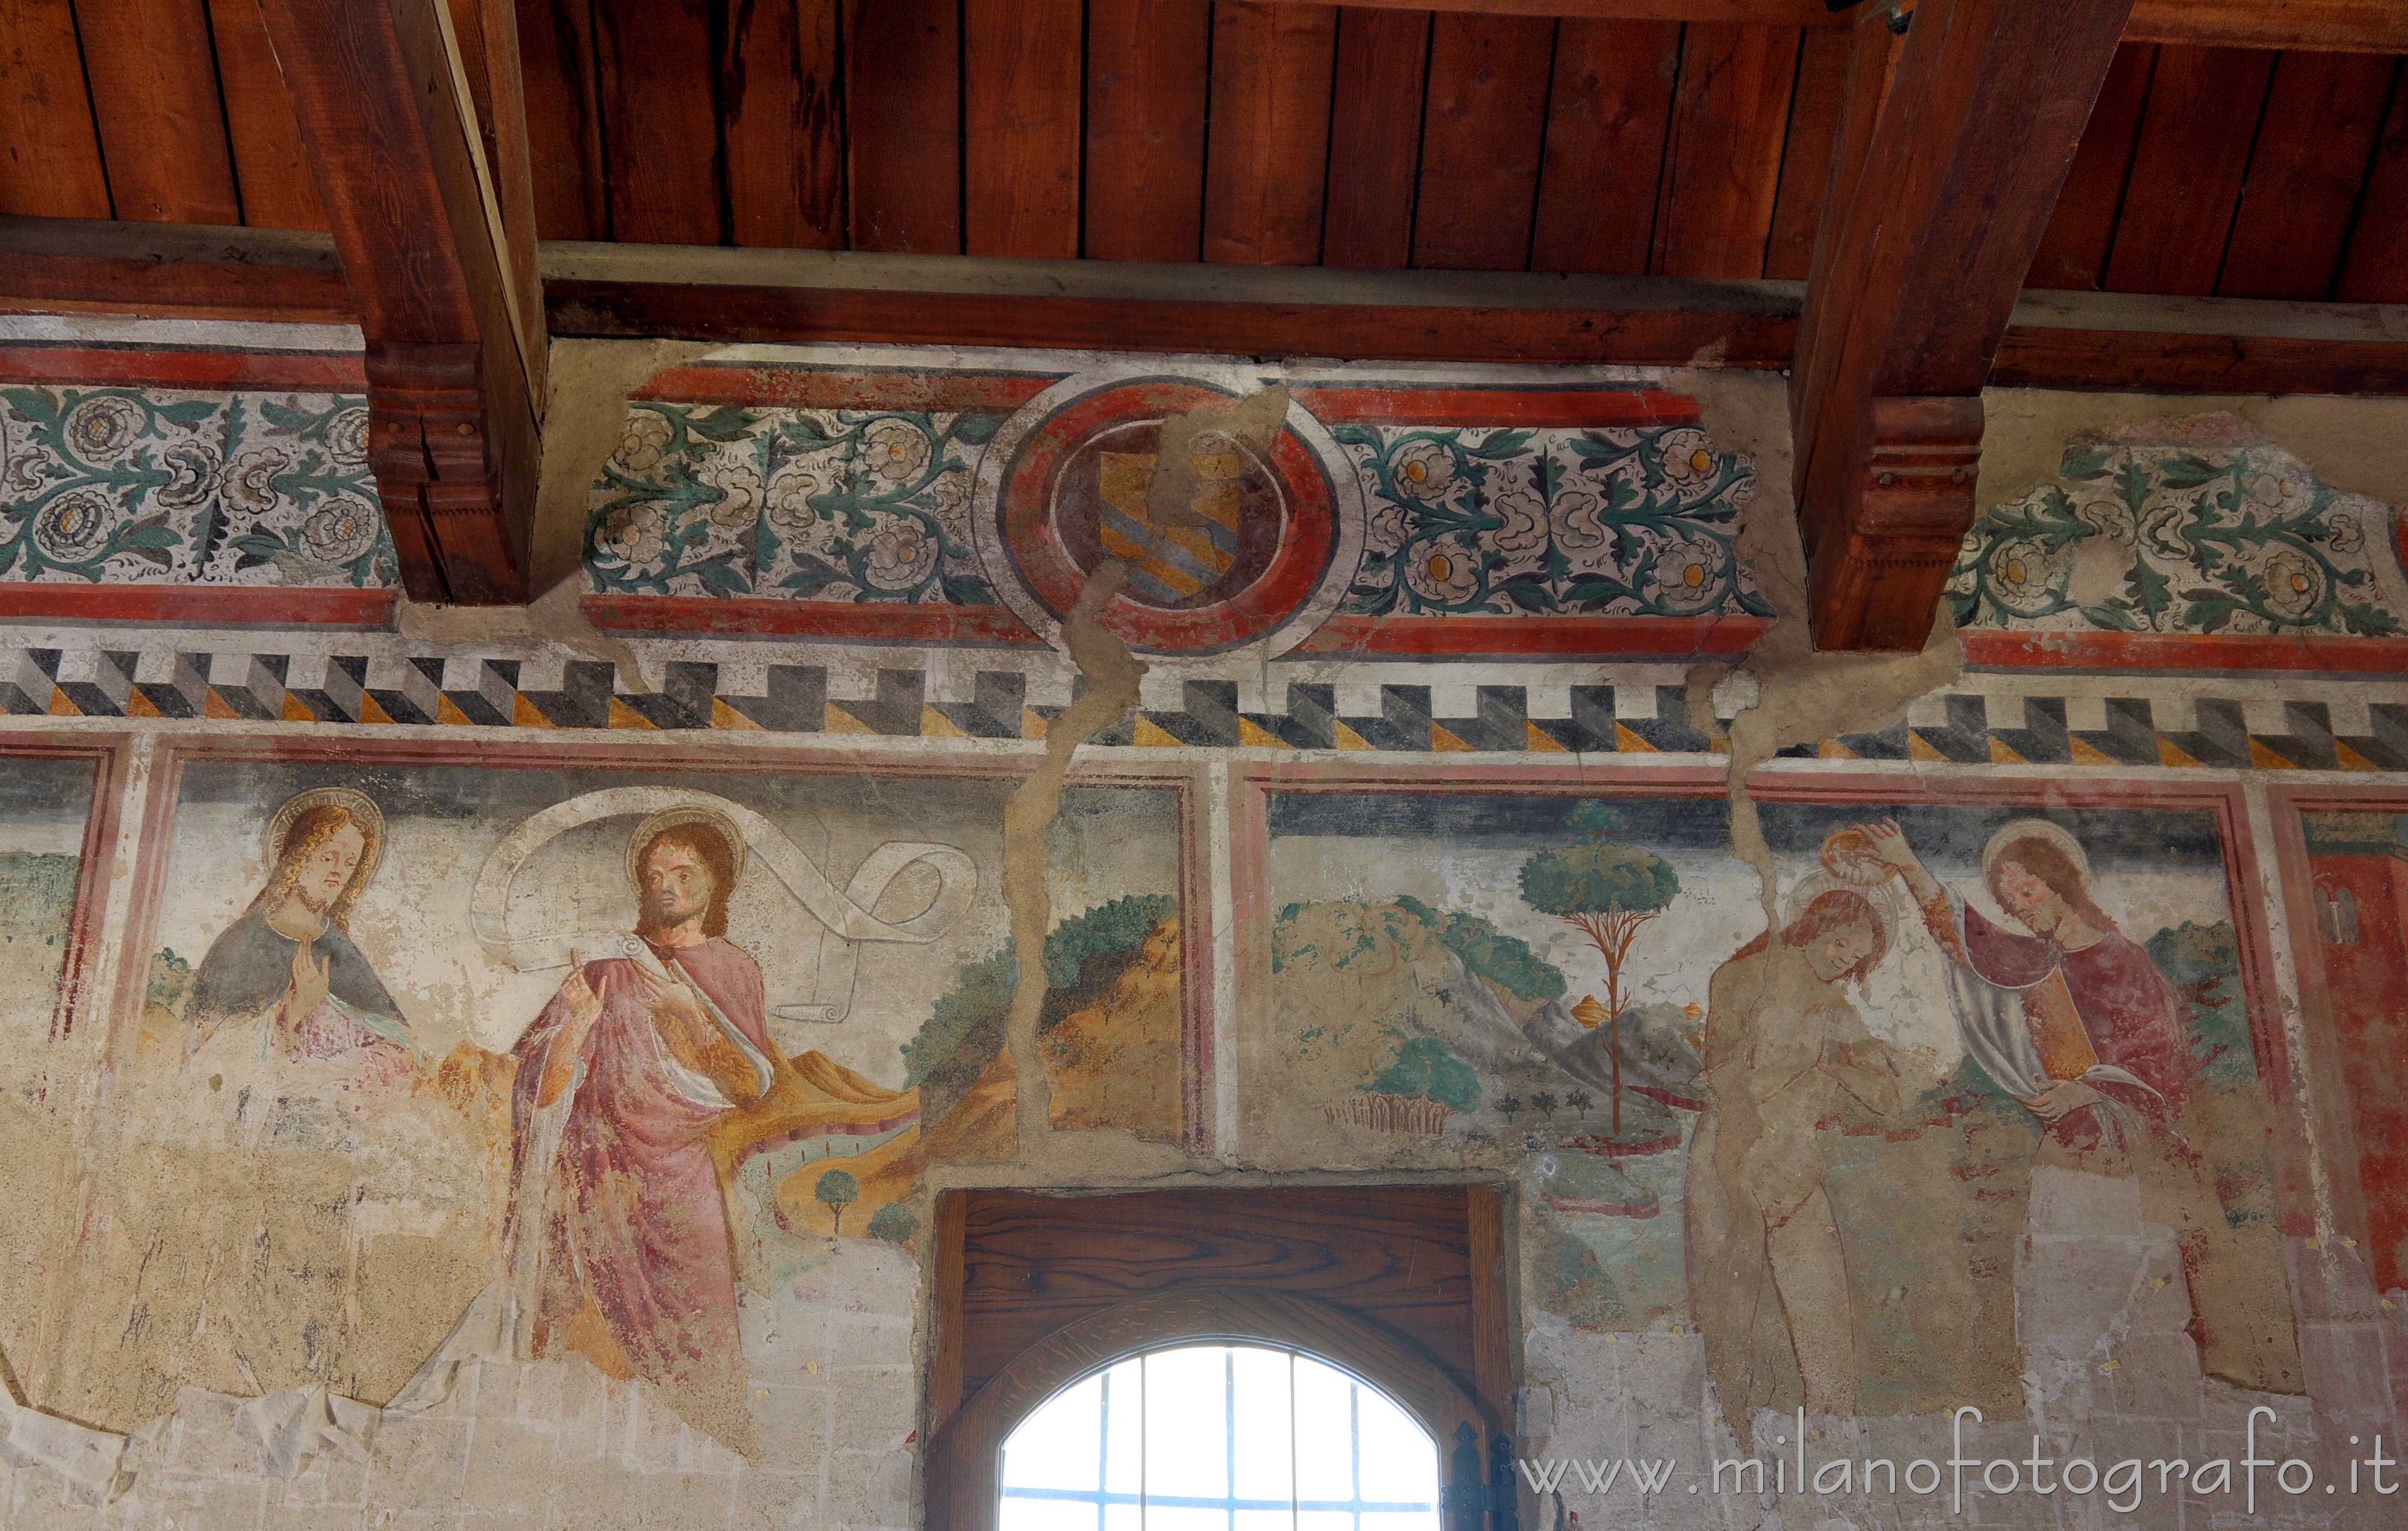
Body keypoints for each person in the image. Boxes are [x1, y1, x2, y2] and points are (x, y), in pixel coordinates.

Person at [1857, 816, 2296, 1391]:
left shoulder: (2125, 960)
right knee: (2068, 1287)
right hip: (2072, 1142)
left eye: (2027, 889)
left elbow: (2162, 1060)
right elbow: (1967, 940)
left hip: (2141, 1147)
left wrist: (2088, 1088)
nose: (2017, 907)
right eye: (2008, 898)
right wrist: (1909, 865)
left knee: (2153, 1288)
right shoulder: (2037, 961)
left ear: (2061, 882)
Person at [506, 809, 777, 1451]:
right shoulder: (607, 967)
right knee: (589, 1345)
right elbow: (532, 1087)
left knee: (696, 1334)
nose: (669, 887)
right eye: (655, 874)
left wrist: (691, 1015)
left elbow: (749, 1088)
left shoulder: (735, 970)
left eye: (685, 872)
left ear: (718, 884)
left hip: (680, 1181)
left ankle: (705, 1461)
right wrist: (575, 1023)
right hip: (595, 1180)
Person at [1686, 881, 1903, 1430]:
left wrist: (1835, 1066)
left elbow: (1885, 1095)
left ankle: (1834, 1440)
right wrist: (1790, 1072)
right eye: (1839, 945)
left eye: (1855, 958)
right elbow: (1722, 1071)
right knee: (1728, 1310)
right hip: (1729, 1156)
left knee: (1824, 1312)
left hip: (1796, 1168)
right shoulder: (1740, 979)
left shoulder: (1837, 1011)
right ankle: (1727, 1431)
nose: (1843, 963)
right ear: (1814, 926)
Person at [185, 787, 414, 1076]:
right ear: (297, 859)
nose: (338, 872)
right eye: (328, 857)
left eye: (349, 863)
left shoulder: (340, 949)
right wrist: (297, 1006)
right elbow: (206, 1063)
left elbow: (400, 1039)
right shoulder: (242, 944)